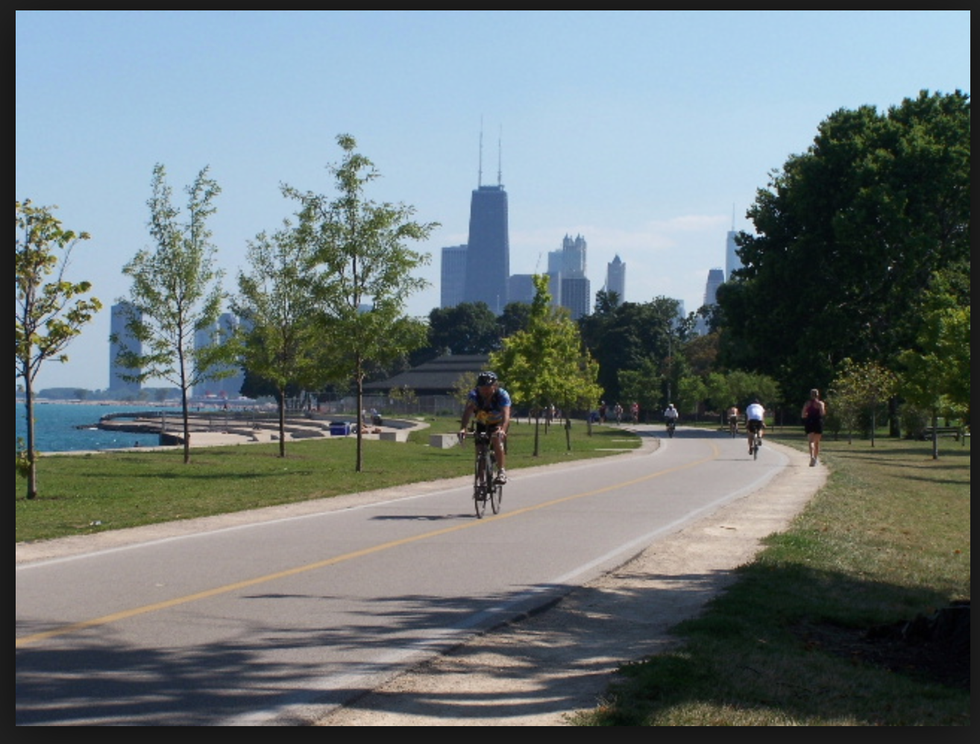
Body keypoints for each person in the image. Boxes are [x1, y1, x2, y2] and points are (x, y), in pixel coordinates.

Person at [459, 371, 512, 484]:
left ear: (495, 386)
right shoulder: (474, 395)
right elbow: (467, 412)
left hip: (498, 423)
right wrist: (463, 428)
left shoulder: (502, 395)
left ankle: (501, 472)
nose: (485, 391)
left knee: (496, 440)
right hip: (482, 423)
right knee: (480, 449)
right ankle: (481, 480)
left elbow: (506, 415)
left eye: (488, 388)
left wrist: (502, 429)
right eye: (482, 388)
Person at [802, 388, 826, 467]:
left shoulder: (807, 403)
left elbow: (803, 414)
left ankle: (811, 457)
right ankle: (815, 458)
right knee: (817, 442)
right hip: (818, 422)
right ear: (818, 395)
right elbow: (822, 413)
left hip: (809, 422)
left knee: (811, 441)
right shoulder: (820, 403)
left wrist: (807, 415)